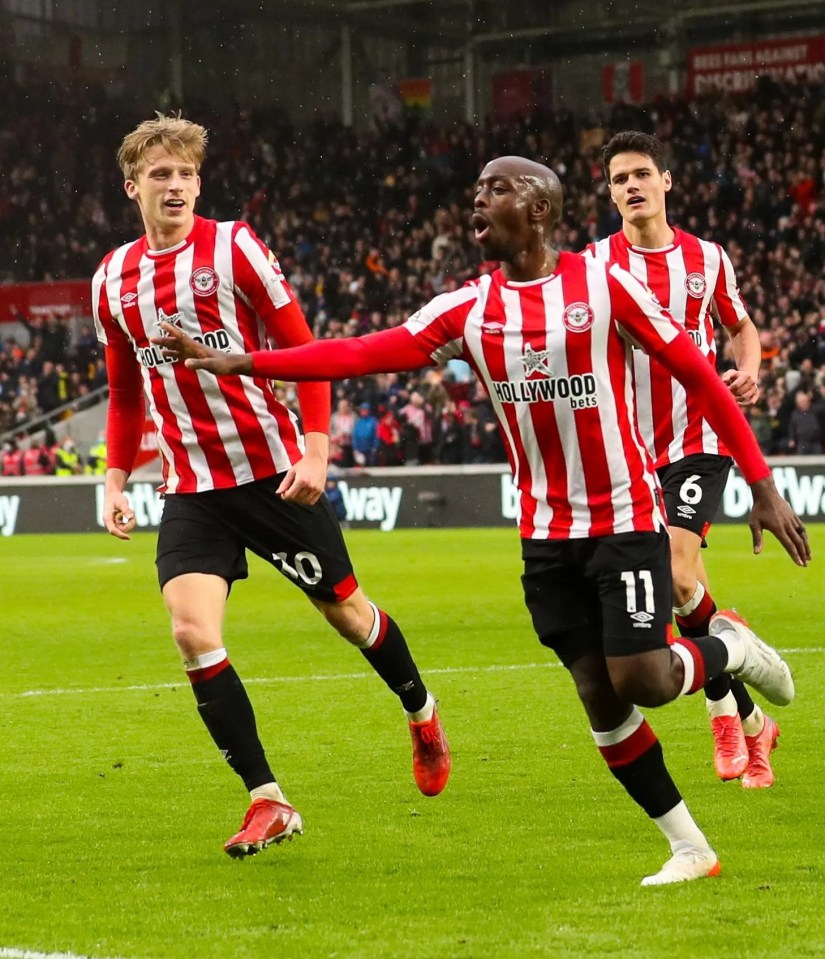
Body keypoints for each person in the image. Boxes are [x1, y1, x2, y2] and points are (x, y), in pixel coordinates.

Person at [154, 155, 810, 886]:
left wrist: (759, 481)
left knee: (646, 679)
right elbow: (361, 353)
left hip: (623, 518)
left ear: (537, 209)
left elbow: (696, 373)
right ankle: (689, 845)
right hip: (543, 536)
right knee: (598, 696)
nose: (477, 198)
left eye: (495, 189)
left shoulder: (603, 286)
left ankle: (732, 648)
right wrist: (242, 361)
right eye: (476, 189)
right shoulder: (468, 307)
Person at [91, 115, 450, 859]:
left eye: (186, 173)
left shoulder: (234, 247)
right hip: (192, 487)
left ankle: (420, 710)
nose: (176, 186)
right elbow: (125, 394)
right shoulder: (110, 280)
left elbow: (306, 351)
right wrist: (115, 477)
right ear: (133, 187)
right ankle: (268, 799)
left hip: (272, 472)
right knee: (191, 631)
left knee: (349, 616)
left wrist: (316, 451)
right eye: (160, 175)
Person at [586, 130, 779, 788]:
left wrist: (746, 370)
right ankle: (750, 718)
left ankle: (723, 714)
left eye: (641, 173)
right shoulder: (594, 266)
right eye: (619, 178)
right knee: (680, 590)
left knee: (674, 563)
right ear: (608, 191)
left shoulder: (706, 260)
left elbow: (740, 327)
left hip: (695, 437)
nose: (631, 186)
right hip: (627, 450)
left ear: (666, 181)